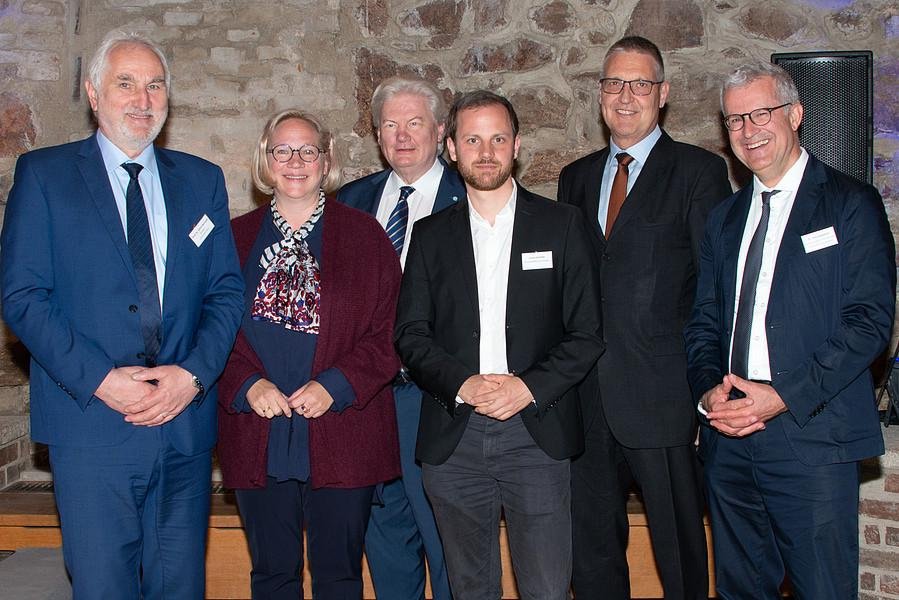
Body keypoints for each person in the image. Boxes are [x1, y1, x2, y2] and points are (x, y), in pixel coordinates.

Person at [0, 31, 244, 599]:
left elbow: (225, 293)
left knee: (179, 586)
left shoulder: (200, 181)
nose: (143, 99)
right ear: (93, 92)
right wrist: (103, 381)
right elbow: (23, 296)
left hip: (183, 423)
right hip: (92, 427)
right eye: (126, 83)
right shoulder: (45, 176)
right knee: (104, 585)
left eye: (155, 85)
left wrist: (193, 375)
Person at [684, 61, 895, 599]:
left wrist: (781, 396)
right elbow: (704, 319)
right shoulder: (725, 219)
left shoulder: (850, 204)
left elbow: (870, 322)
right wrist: (710, 389)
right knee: (739, 589)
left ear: (796, 114)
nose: (748, 130)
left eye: (761, 113)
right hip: (730, 441)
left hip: (812, 439)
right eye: (734, 121)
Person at [395, 90, 604, 600]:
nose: (485, 151)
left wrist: (526, 388)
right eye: (472, 139)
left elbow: (587, 333)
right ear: (450, 148)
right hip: (455, 435)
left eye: (497, 138)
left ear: (516, 146)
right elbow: (411, 334)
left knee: (547, 588)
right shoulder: (429, 235)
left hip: (537, 432)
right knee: (470, 588)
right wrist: (462, 383)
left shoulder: (563, 225)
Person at [557, 35, 731, 600]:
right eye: (613, 83)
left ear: (663, 94)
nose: (624, 95)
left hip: (663, 398)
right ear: (600, 94)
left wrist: (708, 388)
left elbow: (714, 288)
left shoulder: (699, 172)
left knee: (680, 553)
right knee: (593, 553)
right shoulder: (576, 178)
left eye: (639, 84)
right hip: (585, 400)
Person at [216, 109, 402, 599]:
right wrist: (246, 384)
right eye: (282, 150)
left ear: (326, 161)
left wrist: (335, 386)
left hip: (343, 428)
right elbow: (208, 329)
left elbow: (390, 334)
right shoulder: (231, 239)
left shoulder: (366, 237)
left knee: (338, 576)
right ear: (265, 158)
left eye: (308, 150)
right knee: (272, 574)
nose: (295, 161)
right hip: (259, 429)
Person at [337, 75, 462, 600]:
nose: (402, 135)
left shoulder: (470, 200)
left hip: (438, 401)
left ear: (439, 131)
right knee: (385, 539)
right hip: (369, 402)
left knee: (448, 539)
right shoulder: (349, 202)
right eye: (390, 124)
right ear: (377, 134)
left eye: (415, 123)